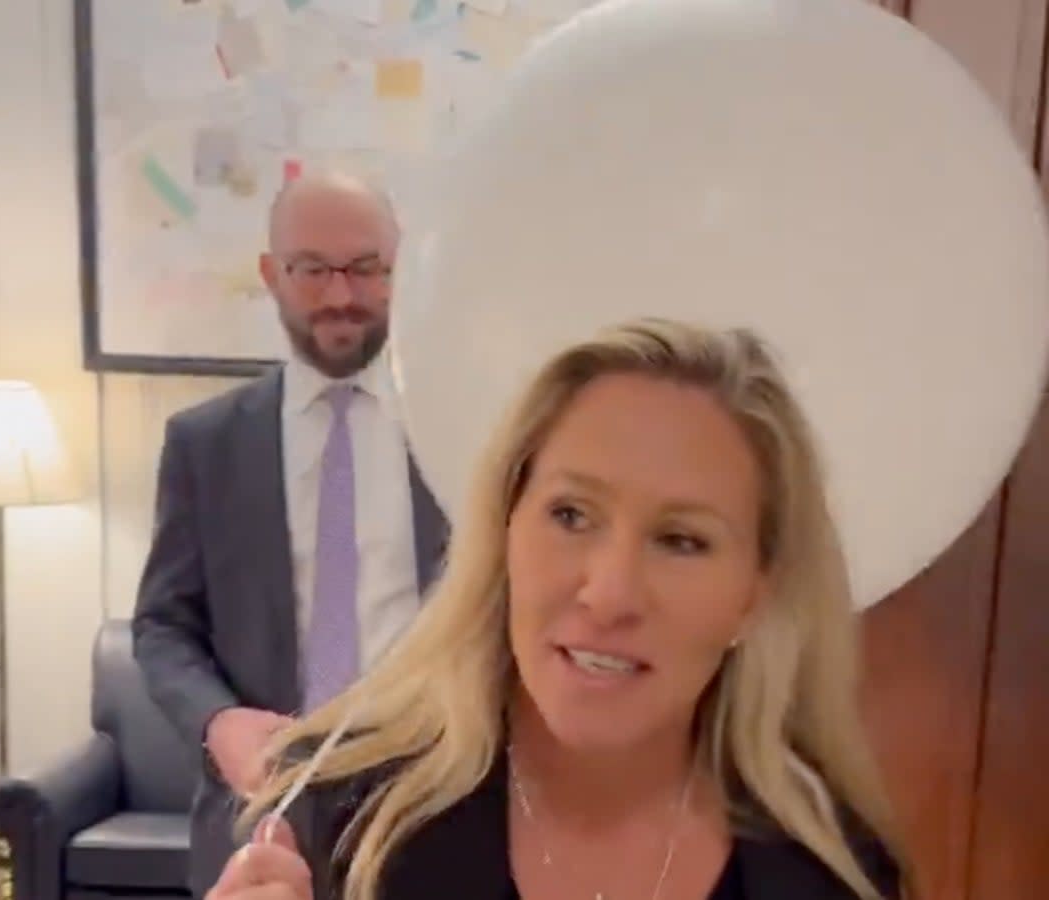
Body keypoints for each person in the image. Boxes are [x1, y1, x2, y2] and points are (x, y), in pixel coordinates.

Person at [206, 318, 909, 900]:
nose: (608, 594)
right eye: (571, 514)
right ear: (504, 527)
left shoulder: (835, 877)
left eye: (681, 540)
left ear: (755, 595)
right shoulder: (340, 825)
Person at [132, 170, 447, 898]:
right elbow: (162, 625)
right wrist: (218, 723)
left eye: (366, 268)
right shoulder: (203, 444)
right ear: (272, 275)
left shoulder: (458, 434)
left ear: (400, 271)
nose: (341, 295)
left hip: (431, 805)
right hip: (259, 820)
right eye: (312, 269)